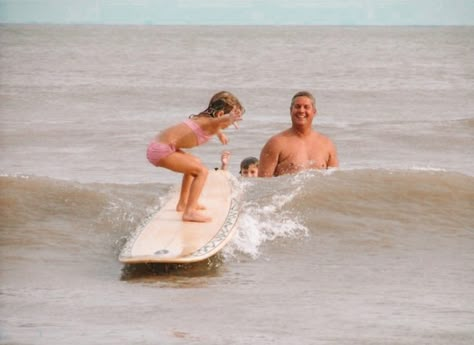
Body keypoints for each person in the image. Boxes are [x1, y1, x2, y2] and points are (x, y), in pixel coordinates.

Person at [146, 91, 244, 223]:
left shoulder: (206, 120)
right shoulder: (209, 122)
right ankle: (190, 212)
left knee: (195, 163)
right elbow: (217, 122)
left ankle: (183, 203)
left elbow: (214, 124)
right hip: (161, 150)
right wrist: (228, 118)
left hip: (161, 146)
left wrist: (220, 134)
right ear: (220, 114)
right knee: (201, 171)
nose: (230, 125)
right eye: (231, 123)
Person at [258, 91, 338, 177]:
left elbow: (334, 182)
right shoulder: (276, 143)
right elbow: (263, 183)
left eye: (306, 107)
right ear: (291, 110)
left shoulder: (327, 144)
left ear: (314, 112)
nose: (301, 110)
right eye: (297, 107)